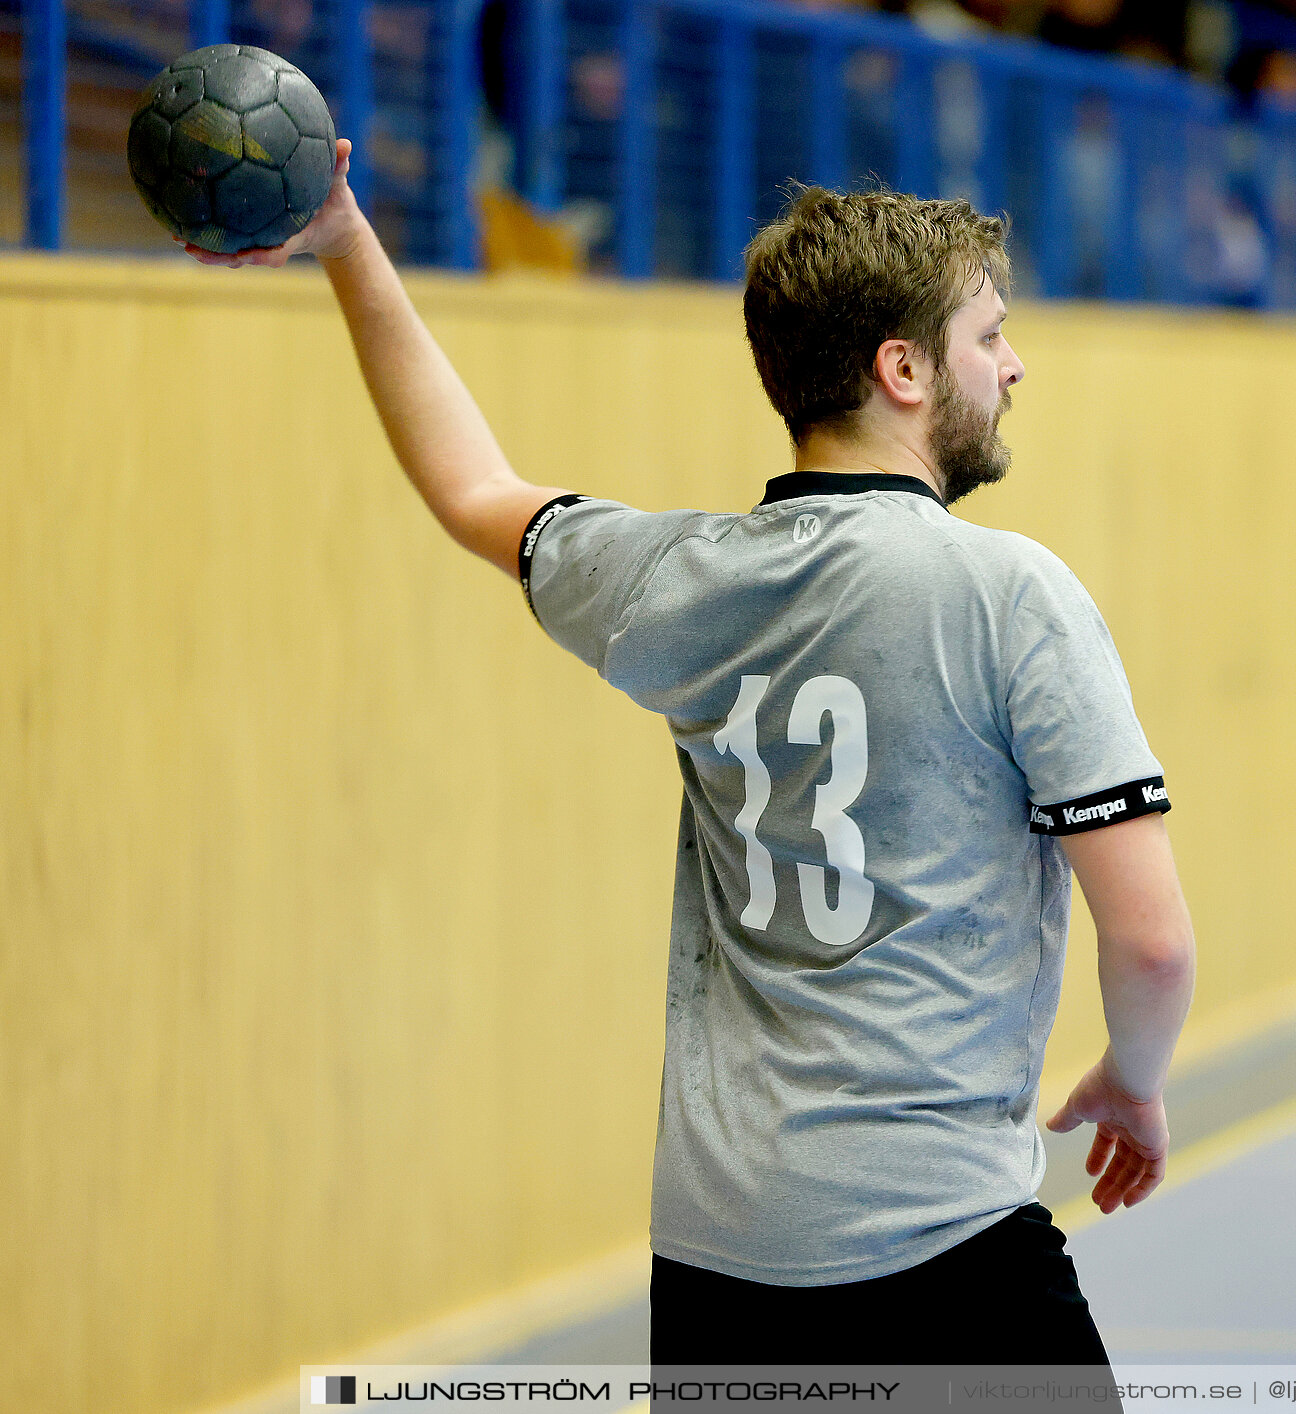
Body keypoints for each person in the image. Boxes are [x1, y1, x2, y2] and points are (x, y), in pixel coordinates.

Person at [179, 144, 1196, 1371]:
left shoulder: (675, 577)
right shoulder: (1010, 593)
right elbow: (1149, 939)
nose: (1015, 361)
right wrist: (1134, 1080)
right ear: (905, 370)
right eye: (990, 336)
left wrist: (345, 242)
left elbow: (469, 486)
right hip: (943, 1241)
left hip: (720, 1259)